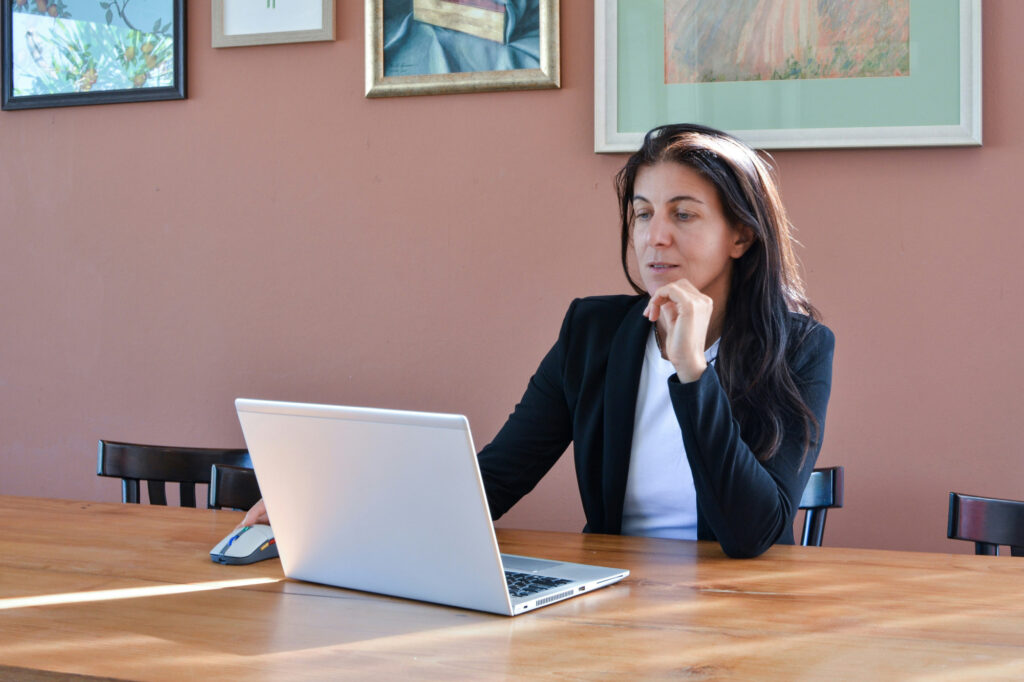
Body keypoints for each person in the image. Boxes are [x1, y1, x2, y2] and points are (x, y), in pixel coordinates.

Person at [241, 123, 834, 559]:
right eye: (642, 214)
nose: (655, 238)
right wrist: (332, 516)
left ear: (741, 237)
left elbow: (752, 534)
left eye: (683, 215)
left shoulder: (802, 349)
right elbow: (496, 479)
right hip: (613, 602)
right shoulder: (592, 333)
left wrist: (692, 375)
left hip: (741, 611)